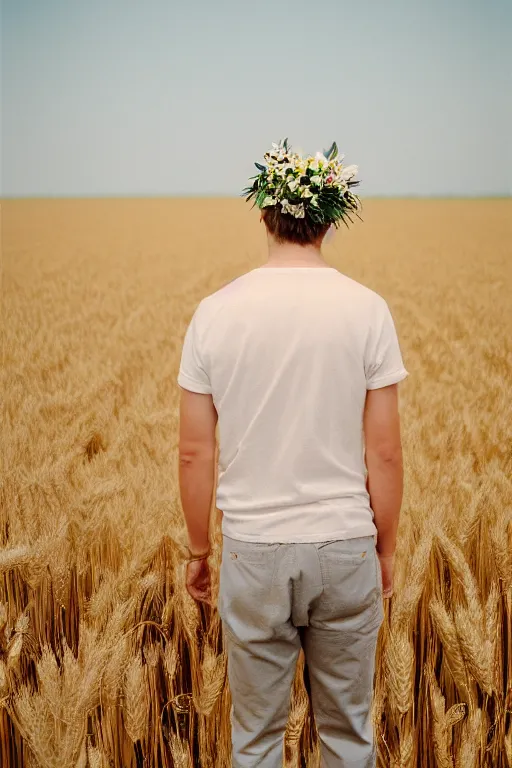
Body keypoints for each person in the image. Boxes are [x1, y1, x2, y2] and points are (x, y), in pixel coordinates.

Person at [177, 139, 408, 768]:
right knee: (348, 735)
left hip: (252, 551)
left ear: (263, 214)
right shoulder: (368, 310)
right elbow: (384, 455)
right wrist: (383, 550)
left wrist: (201, 552)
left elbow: (196, 454)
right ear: (330, 218)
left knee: (253, 740)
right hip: (345, 545)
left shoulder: (214, 313)